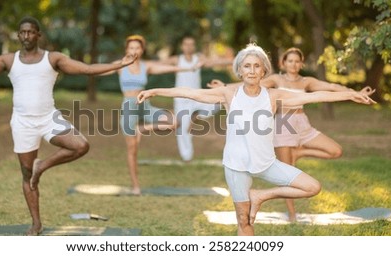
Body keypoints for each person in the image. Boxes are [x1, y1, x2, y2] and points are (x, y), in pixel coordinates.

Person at [137, 44, 375, 235]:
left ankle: (261, 196)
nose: (251, 70)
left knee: (312, 187)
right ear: (240, 71)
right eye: (247, 66)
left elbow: (317, 96)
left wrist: (351, 94)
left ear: (264, 71)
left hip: (267, 163)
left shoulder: (274, 96)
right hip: (236, 165)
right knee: (244, 220)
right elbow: (189, 93)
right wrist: (156, 91)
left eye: (256, 66)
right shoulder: (229, 94)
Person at [0, 16, 136, 235]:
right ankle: (36, 223)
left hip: (49, 118)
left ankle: (43, 166)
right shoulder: (8, 61)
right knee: (27, 174)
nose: (26, 36)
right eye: (22, 32)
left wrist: (119, 64)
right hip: (22, 123)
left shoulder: (52, 58)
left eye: (31, 32)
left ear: (38, 35)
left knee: (80, 146)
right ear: (18, 35)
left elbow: (87, 68)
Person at [209, 47, 375, 221]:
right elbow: (248, 83)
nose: (293, 64)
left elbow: (329, 88)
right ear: (283, 63)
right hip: (283, 125)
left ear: (301, 63)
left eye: (297, 61)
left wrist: (352, 93)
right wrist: (224, 88)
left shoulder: (306, 81)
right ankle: (292, 214)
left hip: (302, 123)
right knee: (288, 174)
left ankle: (298, 152)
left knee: (335, 150)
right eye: (290, 61)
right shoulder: (275, 79)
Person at [99, 35, 201, 195]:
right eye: (131, 48)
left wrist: (189, 68)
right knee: (132, 150)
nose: (134, 51)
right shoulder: (120, 65)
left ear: (142, 50)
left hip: (145, 106)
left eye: (137, 48)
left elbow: (170, 68)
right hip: (129, 108)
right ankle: (136, 186)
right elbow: (98, 71)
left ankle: (143, 129)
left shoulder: (146, 66)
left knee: (174, 122)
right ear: (126, 50)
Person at [160, 35, 232, 161]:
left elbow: (214, 62)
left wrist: (233, 61)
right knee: (182, 131)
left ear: (194, 46)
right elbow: (156, 65)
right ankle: (187, 157)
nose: (189, 46)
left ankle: (196, 116)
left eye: (191, 44)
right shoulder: (177, 60)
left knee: (218, 102)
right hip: (181, 100)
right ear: (182, 46)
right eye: (186, 44)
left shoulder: (198, 58)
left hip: (197, 97)